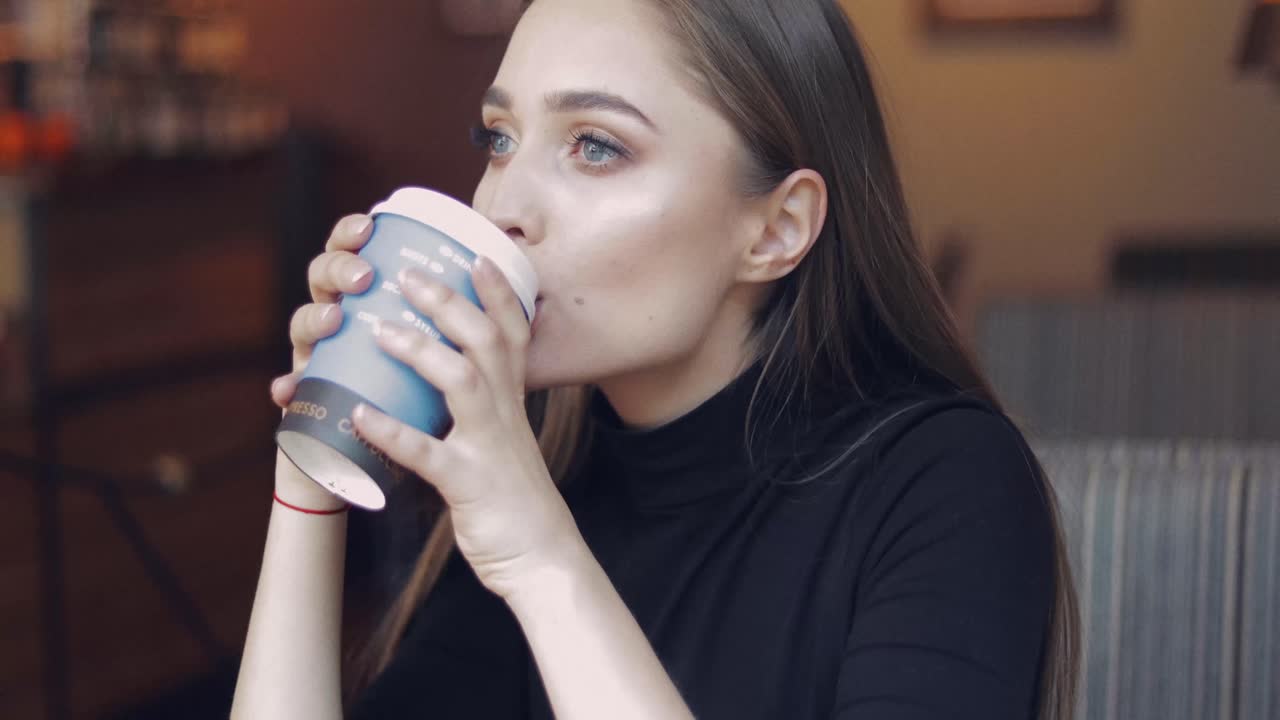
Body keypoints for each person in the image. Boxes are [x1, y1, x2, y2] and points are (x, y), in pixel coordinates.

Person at [231, 0, 1080, 718]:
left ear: (777, 230)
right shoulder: (550, 467)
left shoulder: (945, 482)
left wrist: (541, 558)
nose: (502, 206)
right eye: (499, 138)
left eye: (595, 146)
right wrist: (311, 462)